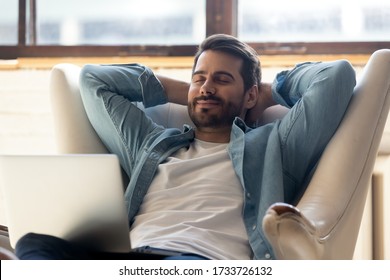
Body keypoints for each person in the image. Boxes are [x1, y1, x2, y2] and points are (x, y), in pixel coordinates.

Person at [15, 34, 356, 260]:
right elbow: (94, 80)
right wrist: (193, 91)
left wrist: (266, 93)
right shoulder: (152, 144)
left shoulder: (273, 146)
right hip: (129, 258)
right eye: (200, 77)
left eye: (223, 79)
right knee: (33, 244)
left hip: (200, 262)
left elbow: (336, 76)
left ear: (250, 94)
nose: (207, 86)